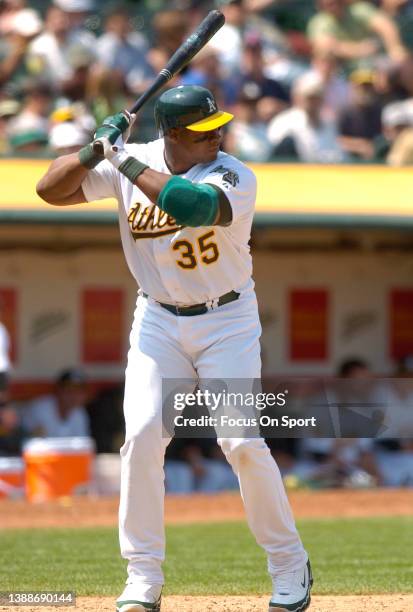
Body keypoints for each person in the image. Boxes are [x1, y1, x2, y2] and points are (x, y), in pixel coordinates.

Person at [36, 84, 312, 612]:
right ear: (174, 134)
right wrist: (94, 150)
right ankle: (142, 578)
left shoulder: (233, 173)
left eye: (219, 127)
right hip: (158, 318)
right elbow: (51, 190)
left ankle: (288, 563)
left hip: (227, 318)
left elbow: (193, 204)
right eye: (205, 131)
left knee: (240, 442)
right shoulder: (128, 159)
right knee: (140, 436)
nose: (219, 136)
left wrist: (120, 159)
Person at [22, 367, 90, 438]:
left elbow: (82, 445)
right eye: (68, 390)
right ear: (58, 390)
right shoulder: (39, 409)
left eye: (78, 392)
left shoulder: (80, 413)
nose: (74, 396)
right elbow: (30, 443)